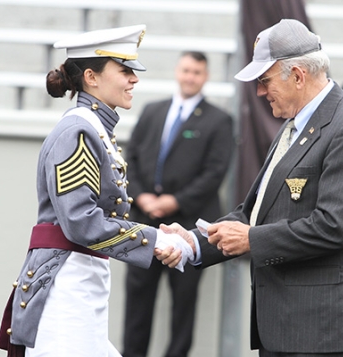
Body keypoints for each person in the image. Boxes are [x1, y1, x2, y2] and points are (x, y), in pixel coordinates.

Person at [157, 19, 343, 357]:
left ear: (298, 76)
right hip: (286, 324)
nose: (260, 92)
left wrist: (250, 239)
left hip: (323, 331)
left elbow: (334, 227)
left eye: (264, 81)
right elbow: (255, 211)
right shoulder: (294, 125)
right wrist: (193, 241)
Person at [0, 24, 193, 357]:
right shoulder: (79, 131)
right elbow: (81, 222)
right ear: (91, 76)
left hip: (81, 278)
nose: (134, 79)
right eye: (124, 69)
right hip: (66, 284)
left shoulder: (95, 128)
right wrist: (155, 240)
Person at [122, 51, 234, 357]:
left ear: (205, 77)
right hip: (143, 222)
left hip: (188, 226)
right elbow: (129, 157)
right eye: (186, 70)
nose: (190, 77)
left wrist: (174, 201)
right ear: (177, 71)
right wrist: (142, 196)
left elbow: (215, 172)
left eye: (197, 72)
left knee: (183, 305)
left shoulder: (219, 120)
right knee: (137, 299)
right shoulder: (152, 111)